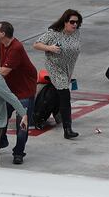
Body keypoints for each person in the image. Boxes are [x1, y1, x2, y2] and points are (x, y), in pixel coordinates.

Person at [33, 9, 82, 139]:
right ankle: (68, 129)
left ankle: (42, 114)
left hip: (67, 69)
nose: (75, 25)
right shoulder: (54, 34)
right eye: (72, 22)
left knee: (55, 93)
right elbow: (36, 44)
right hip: (55, 68)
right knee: (65, 96)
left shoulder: (76, 33)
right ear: (65, 22)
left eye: (77, 22)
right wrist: (50, 48)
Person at [0, 21, 37, 164]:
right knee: (1, 117)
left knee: (22, 124)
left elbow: (5, 70)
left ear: (3, 34)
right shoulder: (3, 43)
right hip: (10, 90)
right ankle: (2, 140)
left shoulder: (16, 47)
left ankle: (19, 152)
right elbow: (2, 62)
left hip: (24, 91)